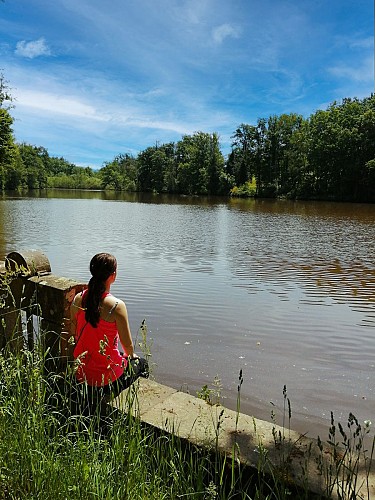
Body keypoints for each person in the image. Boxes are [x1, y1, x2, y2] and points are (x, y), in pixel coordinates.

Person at [70, 253, 149, 401]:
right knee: (142, 364)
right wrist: (131, 357)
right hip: (106, 381)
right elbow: (128, 346)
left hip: (81, 374)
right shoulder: (116, 306)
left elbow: (76, 333)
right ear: (113, 275)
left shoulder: (78, 298)